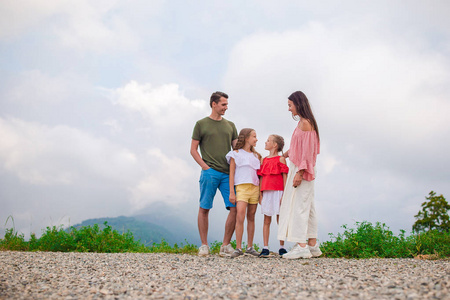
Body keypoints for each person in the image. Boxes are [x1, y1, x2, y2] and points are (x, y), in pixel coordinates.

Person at [190, 91, 238, 257]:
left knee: (235, 207)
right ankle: (204, 245)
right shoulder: (201, 124)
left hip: (227, 175)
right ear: (214, 104)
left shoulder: (230, 125)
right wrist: (205, 167)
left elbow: (237, 150)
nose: (226, 107)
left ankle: (225, 245)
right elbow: (193, 150)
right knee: (204, 208)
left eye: (226, 104)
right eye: (223, 104)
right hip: (209, 172)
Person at [277, 91, 322, 259]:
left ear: (298, 104)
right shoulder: (303, 123)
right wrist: (285, 155)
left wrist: (300, 173)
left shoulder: (306, 123)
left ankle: (301, 246)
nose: (289, 109)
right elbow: (298, 147)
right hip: (301, 166)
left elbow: (308, 152)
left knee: (299, 207)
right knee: (308, 206)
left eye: (290, 105)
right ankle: (312, 245)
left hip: (303, 168)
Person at [226, 128, 261, 258]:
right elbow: (232, 173)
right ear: (246, 138)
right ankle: (239, 247)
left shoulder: (256, 156)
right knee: (240, 216)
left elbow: (260, 175)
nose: (256, 139)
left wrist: (260, 193)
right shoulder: (235, 153)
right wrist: (232, 192)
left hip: (254, 188)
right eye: (254, 136)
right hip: (241, 188)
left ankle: (250, 247)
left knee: (251, 217)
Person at [257, 134, 289, 257]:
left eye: (268, 141)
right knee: (266, 219)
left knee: (280, 219)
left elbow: (284, 176)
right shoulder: (264, 160)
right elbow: (261, 177)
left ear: (275, 145)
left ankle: (282, 246)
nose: (265, 142)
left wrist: (284, 194)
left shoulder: (281, 159)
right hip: (266, 192)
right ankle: (265, 247)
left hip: (278, 191)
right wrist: (260, 193)